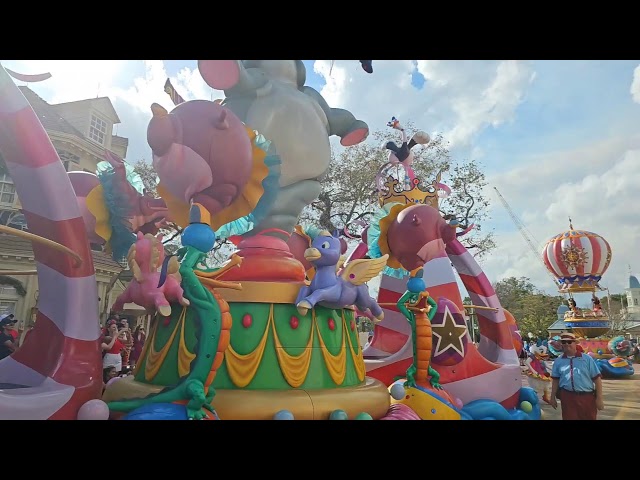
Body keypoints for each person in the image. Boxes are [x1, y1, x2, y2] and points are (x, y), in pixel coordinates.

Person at [549, 332, 604, 420]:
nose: (566, 344)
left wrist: (599, 398)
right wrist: (552, 397)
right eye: (564, 342)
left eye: (569, 342)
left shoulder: (587, 359)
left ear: (575, 343)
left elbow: (597, 379)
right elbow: (555, 380)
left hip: (587, 398)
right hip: (567, 398)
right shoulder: (558, 361)